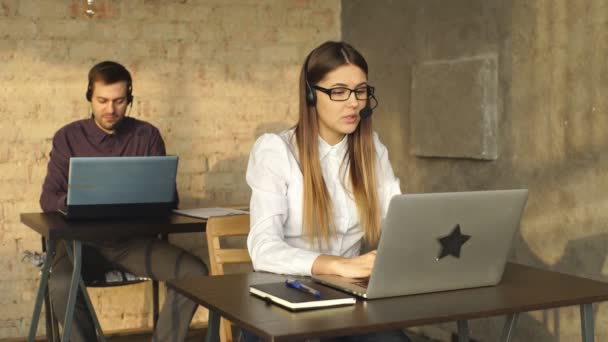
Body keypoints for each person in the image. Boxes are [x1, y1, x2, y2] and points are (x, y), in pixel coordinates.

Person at [244, 42, 410, 341]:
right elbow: (263, 248)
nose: (354, 103)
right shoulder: (275, 150)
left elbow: (400, 222)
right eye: (338, 91)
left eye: (360, 91)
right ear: (311, 94)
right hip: (285, 297)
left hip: (348, 299)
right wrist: (338, 265)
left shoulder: (372, 150)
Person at [40, 61, 208, 342]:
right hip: (81, 246)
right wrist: (76, 200)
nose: (110, 109)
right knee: (60, 284)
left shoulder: (147, 135)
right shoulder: (68, 137)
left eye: (119, 101)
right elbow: (47, 197)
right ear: (89, 98)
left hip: (135, 243)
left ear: (129, 99)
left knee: (195, 272)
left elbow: (169, 197)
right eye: (102, 101)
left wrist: (158, 196)